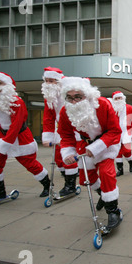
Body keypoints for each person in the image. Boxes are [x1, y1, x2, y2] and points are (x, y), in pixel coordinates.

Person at [57, 77, 123, 229]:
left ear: (86, 95)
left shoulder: (102, 104)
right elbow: (65, 135)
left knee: (106, 173)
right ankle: (103, 196)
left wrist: (96, 147)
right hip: (84, 145)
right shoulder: (65, 110)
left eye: (78, 97)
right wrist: (67, 152)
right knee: (86, 179)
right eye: (70, 97)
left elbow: (114, 131)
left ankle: (113, 210)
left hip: (106, 143)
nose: (74, 102)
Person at [0, 72, 50, 201]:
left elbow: (16, 125)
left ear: (8, 85)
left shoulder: (17, 102)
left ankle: (47, 185)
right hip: (1, 135)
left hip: (20, 136)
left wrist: (6, 142)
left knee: (29, 163)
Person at [41, 67, 79, 198]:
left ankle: (70, 185)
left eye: (52, 81)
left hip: (74, 127)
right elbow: (48, 116)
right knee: (58, 157)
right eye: (47, 81)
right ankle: (68, 176)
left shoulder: (69, 92)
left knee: (70, 154)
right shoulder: (49, 97)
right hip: (60, 128)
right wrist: (48, 135)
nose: (49, 84)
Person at [111, 91, 132, 176]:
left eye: (120, 98)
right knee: (117, 151)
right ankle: (120, 169)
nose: (118, 100)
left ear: (123, 98)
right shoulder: (112, 108)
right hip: (115, 133)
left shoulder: (129, 107)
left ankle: (131, 162)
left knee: (126, 151)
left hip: (127, 132)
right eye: (116, 98)